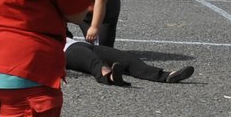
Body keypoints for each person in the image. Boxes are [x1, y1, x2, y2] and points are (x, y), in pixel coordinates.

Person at [64, 36, 193, 86]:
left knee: (127, 58)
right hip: (65, 51)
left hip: (80, 43)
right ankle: (111, 76)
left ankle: (166, 76)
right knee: (94, 63)